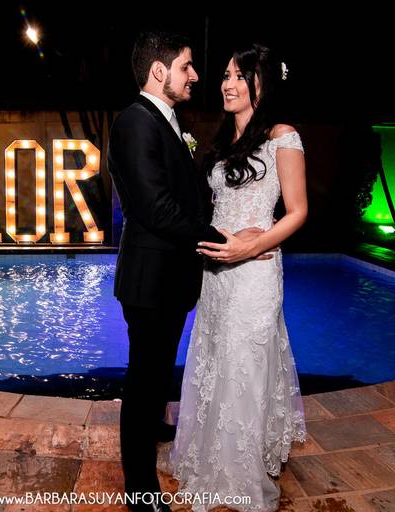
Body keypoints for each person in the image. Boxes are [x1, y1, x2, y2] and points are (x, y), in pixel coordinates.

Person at [107, 31, 262, 512]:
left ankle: (152, 423)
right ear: (160, 71)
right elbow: (155, 208)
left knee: (154, 375)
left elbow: (182, 193)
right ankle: (140, 490)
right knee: (143, 381)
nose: (195, 76)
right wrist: (220, 239)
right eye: (186, 66)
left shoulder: (166, 120)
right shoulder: (135, 121)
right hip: (150, 281)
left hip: (167, 280)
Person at [169, 44, 308, 512]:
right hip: (216, 275)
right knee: (215, 361)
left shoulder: (283, 136)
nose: (227, 84)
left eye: (238, 76)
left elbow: (298, 211)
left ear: (260, 84)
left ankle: (240, 470)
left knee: (244, 364)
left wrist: (252, 245)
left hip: (255, 272)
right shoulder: (224, 140)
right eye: (226, 75)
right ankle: (209, 455)